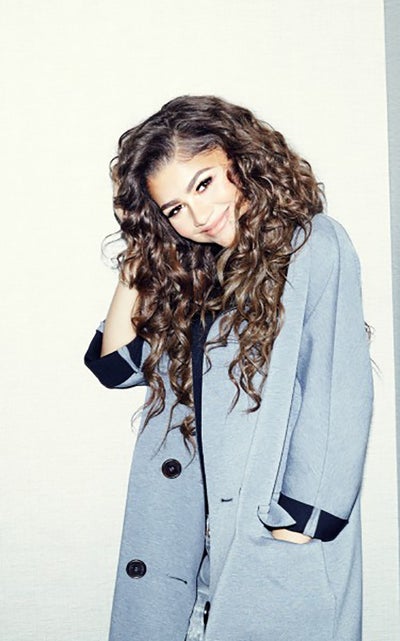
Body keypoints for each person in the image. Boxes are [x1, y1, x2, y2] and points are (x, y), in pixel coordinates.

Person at [84, 95, 374, 641]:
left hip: (262, 536)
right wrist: (139, 252)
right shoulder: (197, 277)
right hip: (191, 538)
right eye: (174, 209)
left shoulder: (312, 245)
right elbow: (116, 365)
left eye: (204, 183)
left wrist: (294, 528)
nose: (198, 216)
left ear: (242, 159)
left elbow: (338, 390)